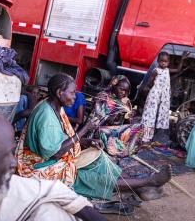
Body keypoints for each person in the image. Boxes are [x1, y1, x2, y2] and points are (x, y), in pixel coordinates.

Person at [16, 73, 172, 201]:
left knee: (99, 160)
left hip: (55, 157)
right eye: (72, 92)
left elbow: (60, 138)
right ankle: (149, 181)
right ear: (59, 93)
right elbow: (55, 153)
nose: (75, 97)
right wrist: (84, 130)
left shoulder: (55, 106)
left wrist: (86, 141)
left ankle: (139, 186)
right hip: (41, 168)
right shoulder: (47, 117)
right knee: (88, 177)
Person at [141, 51, 189, 143]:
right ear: (158, 61)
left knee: (161, 114)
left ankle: (156, 133)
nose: (164, 63)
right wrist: (147, 89)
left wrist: (182, 60)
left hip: (164, 96)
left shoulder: (167, 70)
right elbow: (150, 82)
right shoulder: (156, 71)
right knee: (151, 114)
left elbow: (178, 70)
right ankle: (146, 135)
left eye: (166, 61)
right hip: (155, 95)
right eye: (161, 61)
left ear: (168, 62)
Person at [89, 75, 143, 157]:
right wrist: (115, 114)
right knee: (102, 132)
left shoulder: (125, 101)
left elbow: (126, 123)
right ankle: (116, 150)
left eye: (126, 91)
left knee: (138, 127)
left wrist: (128, 116)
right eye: (121, 89)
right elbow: (97, 120)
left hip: (116, 130)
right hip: (100, 129)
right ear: (114, 85)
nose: (123, 93)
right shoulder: (102, 97)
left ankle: (126, 150)